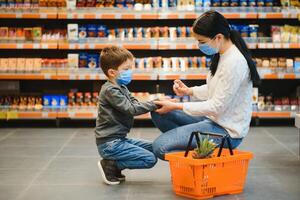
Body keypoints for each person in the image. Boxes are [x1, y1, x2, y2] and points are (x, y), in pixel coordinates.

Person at [151, 10, 261, 160]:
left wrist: (177, 106)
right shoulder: (221, 53)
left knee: (161, 147)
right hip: (212, 120)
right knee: (157, 110)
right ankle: (190, 143)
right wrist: (188, 91)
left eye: (202, 41)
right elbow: (214, 89)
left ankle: (199, 159)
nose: (199, 45)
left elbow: (217, 105)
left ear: (218, 37)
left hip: (226, 132)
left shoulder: (234, 62)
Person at [95, 46, 158, 185]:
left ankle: (114, 164)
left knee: (155, 147)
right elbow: (131, 109)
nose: (130, 71)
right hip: (109, 143)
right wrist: (155, 104)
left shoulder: (121, 87)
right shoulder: (110, 90)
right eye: (126, 69)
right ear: (112, 72)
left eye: (131, 67)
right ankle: (111, 166)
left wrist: (154, 103)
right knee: (150, 159)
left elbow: (134, 102)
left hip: (119, 139)